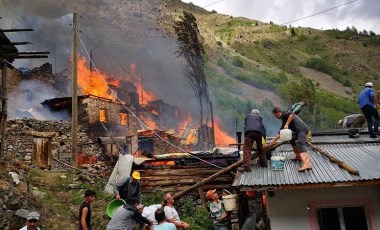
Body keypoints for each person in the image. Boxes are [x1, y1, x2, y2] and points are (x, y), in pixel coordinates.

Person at [269, 107, 312, 172]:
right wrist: (274, 140)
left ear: (277, 112)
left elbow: (292, 114)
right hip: (297, 131)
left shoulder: (284, 114)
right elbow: (281, 131)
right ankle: (298, 156)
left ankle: (307, 164)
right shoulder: (284, 118)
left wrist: (287, 124)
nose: (275, 117)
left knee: (301, 144)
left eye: (275, 115)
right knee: (292, 140)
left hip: (302, 130)